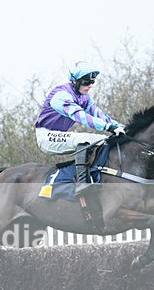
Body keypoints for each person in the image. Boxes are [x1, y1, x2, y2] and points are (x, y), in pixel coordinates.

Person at [34, 61, 125, 196]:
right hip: (46, 137)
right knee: (85, 139)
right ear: (75, 81)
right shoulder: (60, 95)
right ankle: (82, 183)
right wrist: (108, 127)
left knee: (105, 139)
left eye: (92, 82)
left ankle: (95, 175)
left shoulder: (84, 97)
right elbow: (80, 116)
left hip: (59, 134)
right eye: (86, 82)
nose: (90, 86)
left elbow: (99, 115)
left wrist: (120, 127)